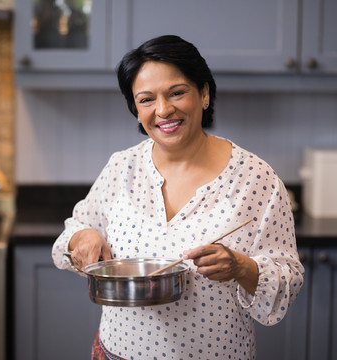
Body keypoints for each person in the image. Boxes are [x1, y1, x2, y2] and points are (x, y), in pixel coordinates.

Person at [52, 35, 304, 360]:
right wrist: (82, 237)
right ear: (136, 109)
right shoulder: (122, 167)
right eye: (146, 100)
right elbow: (78, 227)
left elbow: (288, 279)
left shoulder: (256, 178)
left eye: (177, 93)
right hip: (115, 352)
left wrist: (241, 267)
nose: (163, 110)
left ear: (204, 93)